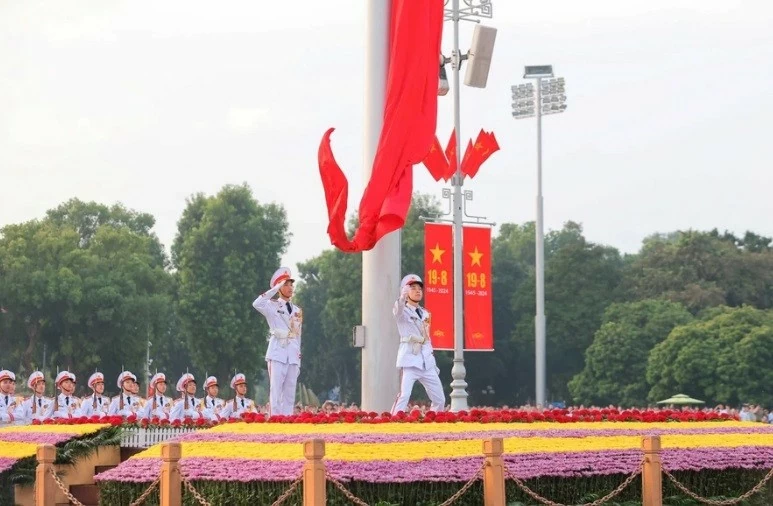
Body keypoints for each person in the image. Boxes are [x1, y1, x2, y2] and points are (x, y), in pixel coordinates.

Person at [390, 274, 445, 415]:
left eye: (420, 288)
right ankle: (394, 421)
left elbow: (427, 338)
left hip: (426, 361)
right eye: (413, 288)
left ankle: (434, 421)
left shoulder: (426, 313)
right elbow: (397, 310)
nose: (418, 291)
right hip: (410, 359)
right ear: (406, 291)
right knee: (404, 395)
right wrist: (402, 298)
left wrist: (432, 360)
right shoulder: (402, 310)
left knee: (440, 399)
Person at [252, 266, 303, 416]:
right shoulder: (272, 305)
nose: (290, 287)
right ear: (279, 287)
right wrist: (274, 289)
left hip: (292, 354)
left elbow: (298, 335)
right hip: (277, 352)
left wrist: (298, 359)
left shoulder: (297, 310)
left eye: (291, 284)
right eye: (286, 284)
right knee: (276, 389)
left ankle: (287, 419)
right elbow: (256, 304)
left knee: (290, 391)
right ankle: (275, 419)